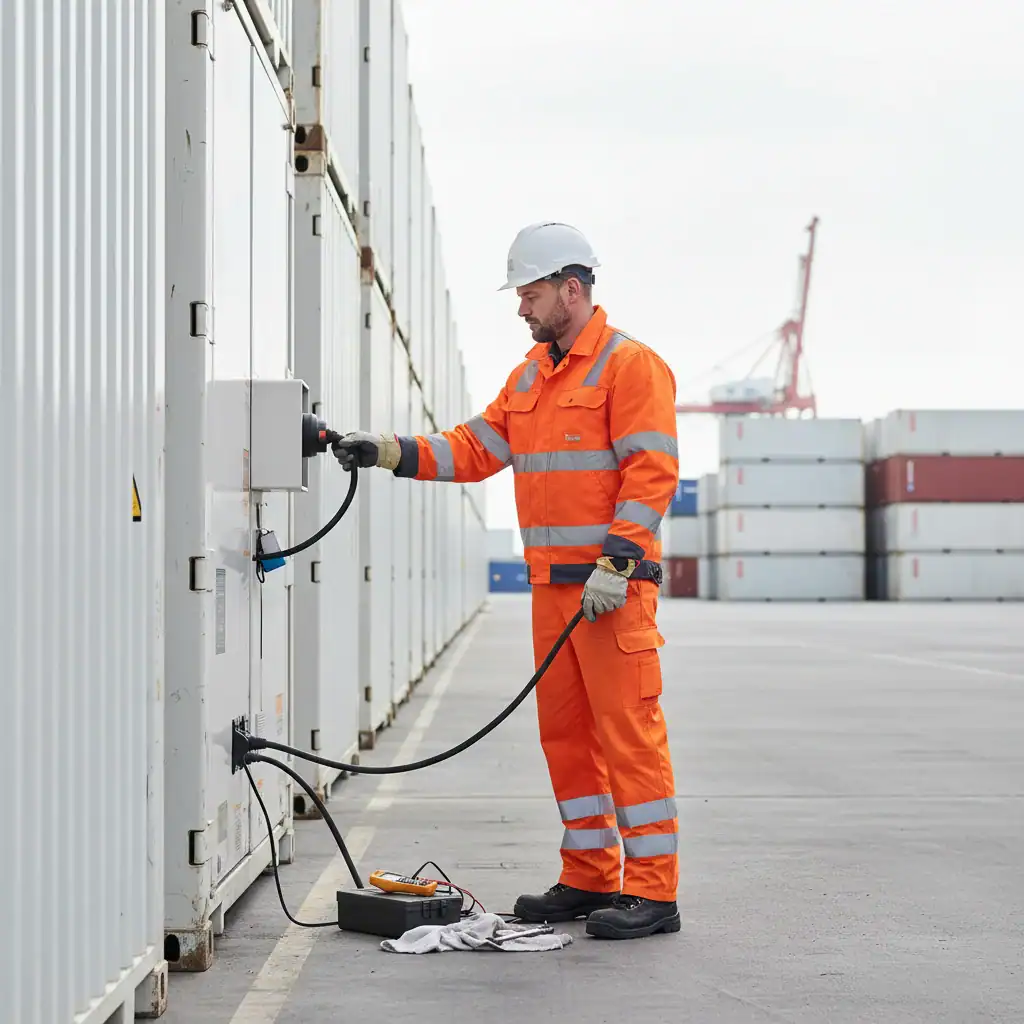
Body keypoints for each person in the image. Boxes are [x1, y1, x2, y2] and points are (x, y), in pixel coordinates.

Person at [333, 222, 681, 940]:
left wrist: (616, 564)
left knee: (629, 738)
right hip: (554, 595)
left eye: (531, 294)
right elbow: (473, 447)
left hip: (612, 596)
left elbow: (651, 475)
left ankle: (653, 893)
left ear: (572, 289)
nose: (522, 309)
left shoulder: (630, 367)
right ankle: (589, 877)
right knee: (567, 738)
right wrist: (388, 450)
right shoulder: (530, 379)